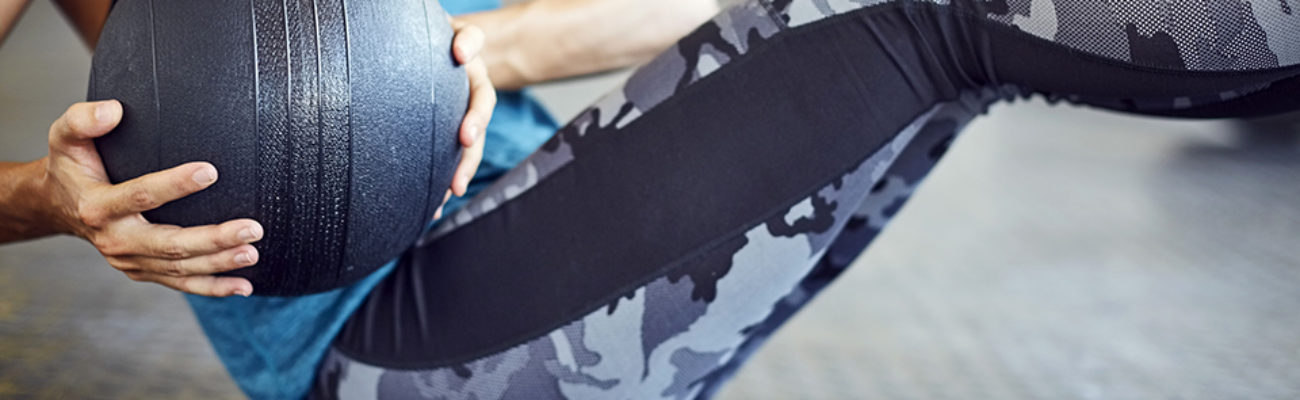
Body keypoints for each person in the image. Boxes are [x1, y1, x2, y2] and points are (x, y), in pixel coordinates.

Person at [4, 0, 1299, 399]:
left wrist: (491, 52)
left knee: (913, 37)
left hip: (522, 214)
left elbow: (709, 9)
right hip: (373, 341)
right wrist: (53, 201)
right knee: (925, 18)